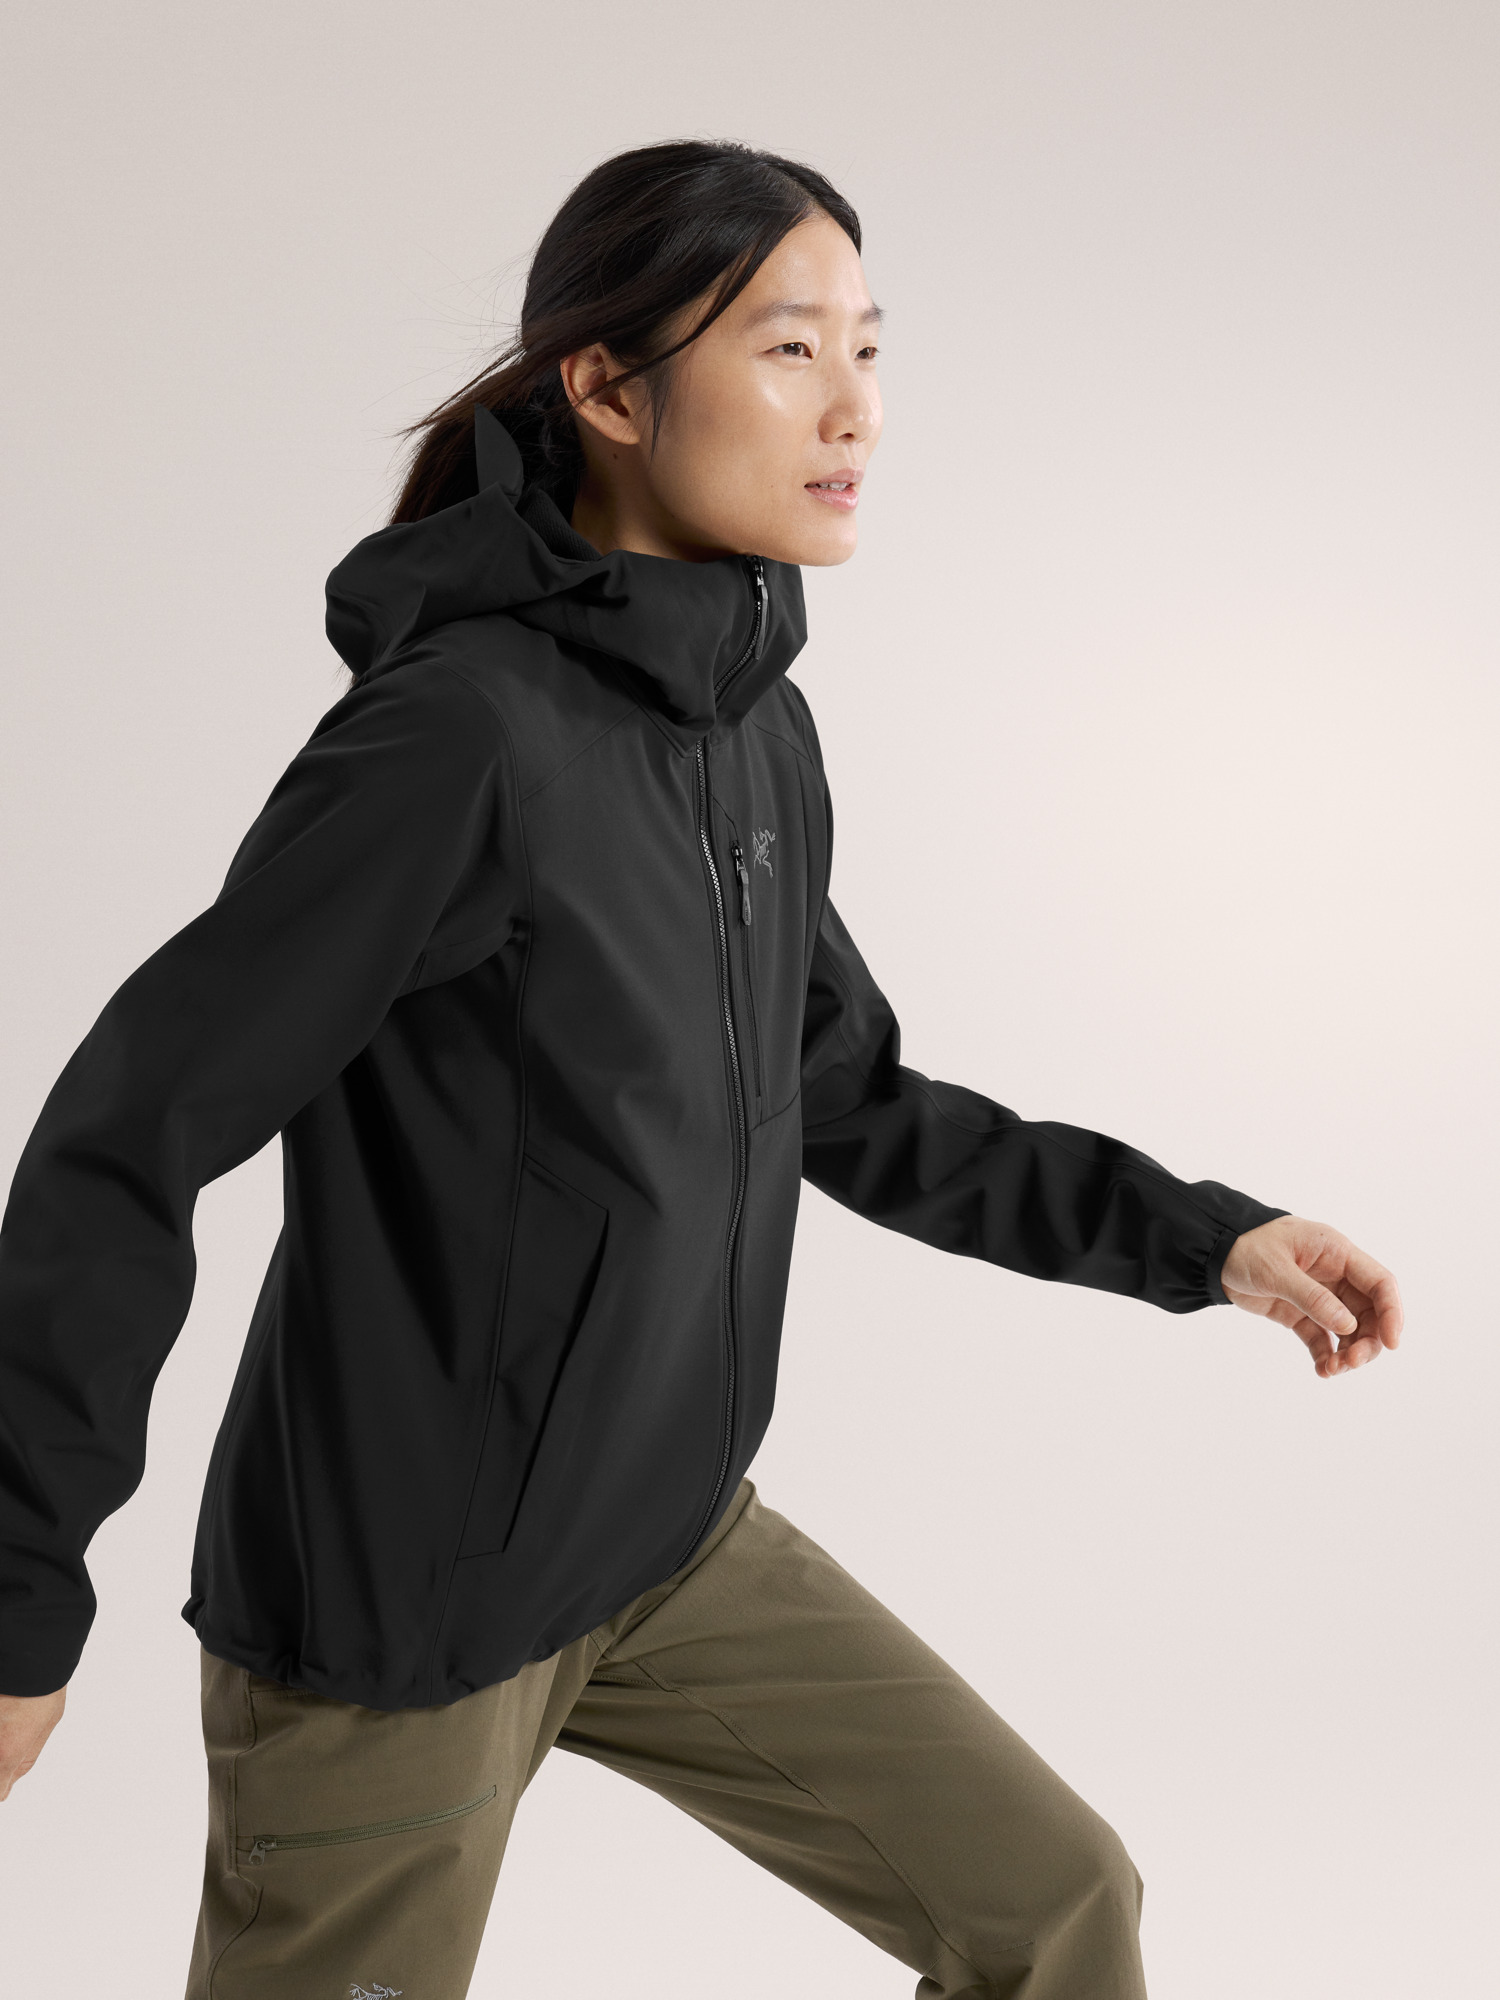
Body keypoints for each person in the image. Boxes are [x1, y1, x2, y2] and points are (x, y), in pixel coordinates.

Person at [0, 139, 1402, 1999]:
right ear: (608, 389)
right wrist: (20, 1585)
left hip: (663, 1538)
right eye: (789, 348)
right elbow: (128, 1132)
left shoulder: (751, 728)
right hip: (407, 1610)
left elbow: (848, 1097)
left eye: (870, 349)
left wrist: (1202, 1238)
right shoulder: (458, 742)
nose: (855, 409)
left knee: (1056, 1908)